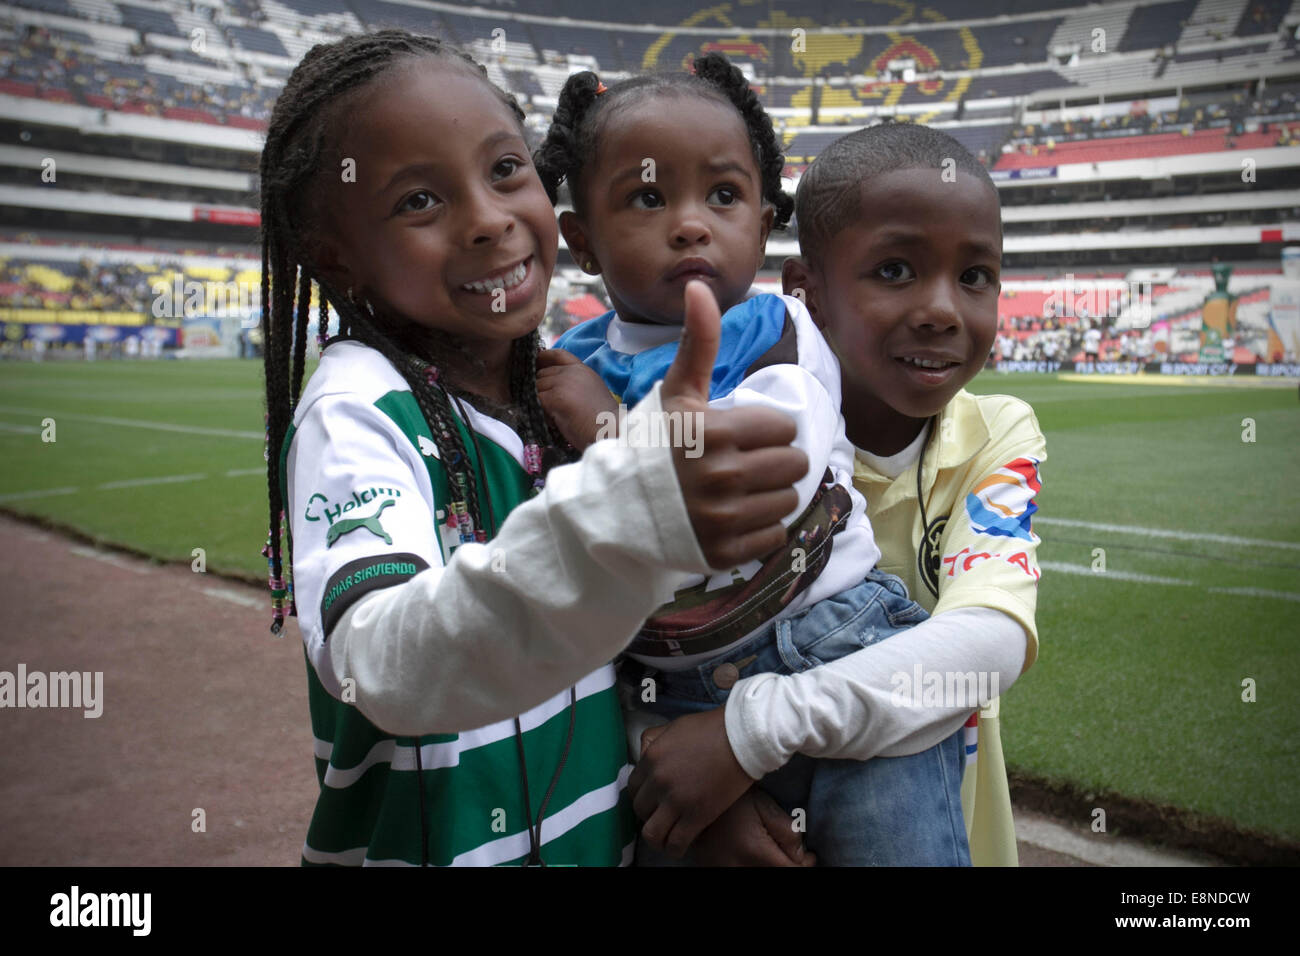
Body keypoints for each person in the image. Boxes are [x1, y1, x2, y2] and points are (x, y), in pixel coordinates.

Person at [257, 31, 808, 867]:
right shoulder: (358, 410)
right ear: (337, 257)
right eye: (418, 202)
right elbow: (381, 663)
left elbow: (599, 655)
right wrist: (637, 506)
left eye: (505, 171)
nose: (488, 220)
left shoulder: (556, 387)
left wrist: (692, 789)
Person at [531, 57, 972, 866]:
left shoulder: (777, 332)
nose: (691, 223)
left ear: (764, 223)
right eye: (648, 197)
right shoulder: (567, 363)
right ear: (582, 240)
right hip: (668, 693)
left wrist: (605, 431)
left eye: (723, 196)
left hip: (837, 646)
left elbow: (755, 485)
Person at [630, 123, 1046, 866]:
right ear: (805, 292)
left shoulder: (996, 435)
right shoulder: (738, 435)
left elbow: (988, 646)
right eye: (894, 270)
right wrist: (677, 771)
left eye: (976, 276)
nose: (943, 310)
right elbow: (619, 650)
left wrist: (741, 741)